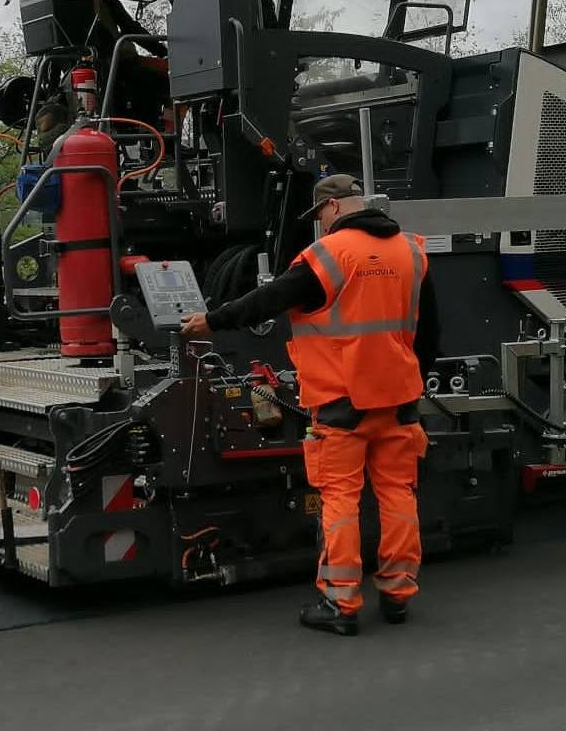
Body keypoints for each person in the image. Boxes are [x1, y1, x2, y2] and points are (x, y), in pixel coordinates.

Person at [180, 175, 439, 636]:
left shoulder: (329, 255)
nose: (319, 222)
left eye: (319, 213)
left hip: (342, 401)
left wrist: (213, 321)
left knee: (340, 498)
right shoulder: (412, 252)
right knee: (398, 495)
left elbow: (269, 299)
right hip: (399, 399)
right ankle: (398, 594)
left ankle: (341, 604)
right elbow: (430, 330)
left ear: (334, 207)